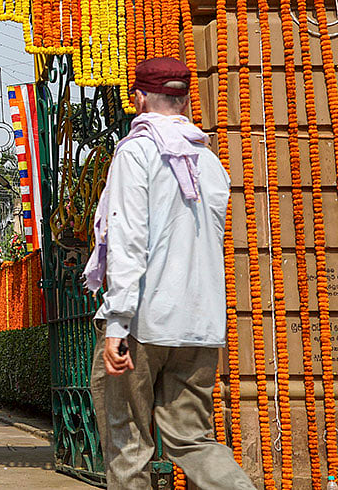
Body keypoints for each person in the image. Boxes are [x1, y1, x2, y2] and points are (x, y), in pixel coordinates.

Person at [86, 57, 256, 489]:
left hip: (143, 321)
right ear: (184, 101)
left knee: (127, 443)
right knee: (192, 439)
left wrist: (117, 323)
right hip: (199, 324)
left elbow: (128, 238)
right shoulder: (209, 160)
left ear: (139, 98)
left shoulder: (137, 153)